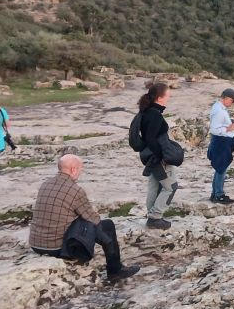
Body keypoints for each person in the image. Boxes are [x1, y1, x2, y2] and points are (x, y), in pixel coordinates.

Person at [30, 154, 139, 281]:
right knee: (107, 225)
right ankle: (115, 269)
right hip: (58, 248)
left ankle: (114, 267)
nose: (80, 173)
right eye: (81, 169)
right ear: (73, 170)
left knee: (83, 222)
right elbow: (92, 218)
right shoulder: (75, 190)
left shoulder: (45, 184)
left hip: (36, 245)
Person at [136, 82, 180, 230]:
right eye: (168, 95)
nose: (169, 98)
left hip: (150, 157)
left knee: (154, 186)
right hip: (157, 158)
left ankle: (152, 215)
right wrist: (162, 156)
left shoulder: (147, 111)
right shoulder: (154, 115)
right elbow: (150, 138)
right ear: (160, 97)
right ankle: (155, 217)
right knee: (171, 187)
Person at [208, 88, 234, 204]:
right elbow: (215, 129)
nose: (232, 104)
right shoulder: (219, 111)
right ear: (226, 98)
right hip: (221, 142)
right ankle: (219, 194)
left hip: (220, 142)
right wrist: (230, 128)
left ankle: (215, 193)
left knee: (220, 168)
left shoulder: (218, 108)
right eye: (232, 101)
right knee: (221, 168)